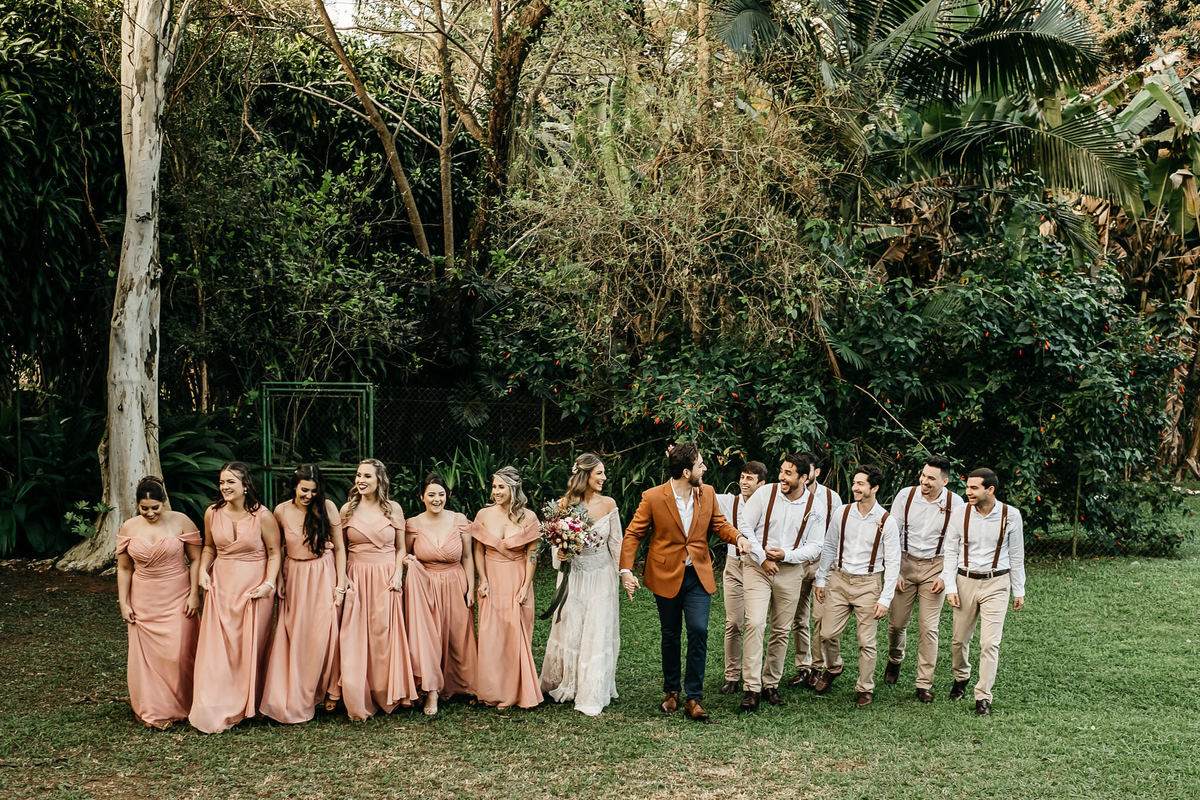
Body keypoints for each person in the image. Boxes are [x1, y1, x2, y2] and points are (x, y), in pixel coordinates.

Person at [620, 442, 750, 723]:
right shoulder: (653, 497)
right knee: (670, 634)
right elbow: (633, 534)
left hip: (697, 575)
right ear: (686, 471)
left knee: (699, 630)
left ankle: (694, 697)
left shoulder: (708, 493)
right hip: (665, 574)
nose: (705, 469)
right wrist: (626, 570)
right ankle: (671, 691)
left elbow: (719, 525)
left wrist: (738, 537)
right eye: (700, 465)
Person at [190, 462, 282, 733]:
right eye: (222, 482)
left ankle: (248, 705)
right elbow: (208, 547)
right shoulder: (212, 513)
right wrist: (203, 573)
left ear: (245, 486)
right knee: (218, 650)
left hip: (254, 587)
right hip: (221, 586)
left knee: (248, 646)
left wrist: (268, 583)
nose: (225, 487)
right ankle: (216, 704)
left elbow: (275, 552)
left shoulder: (262, 516)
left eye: (230, 482)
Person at [735, 454, 826, 710]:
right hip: (757, 566)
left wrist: (787, 555)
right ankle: (751, 687)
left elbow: (816, 545)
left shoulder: (815, 507)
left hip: (791, 571)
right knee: (754, 623)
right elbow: (745, 524)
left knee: (781, 630)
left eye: (788, 473)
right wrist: (762, 556)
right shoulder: (765, 495)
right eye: (782, 471)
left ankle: (770, 684)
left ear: (804, 478)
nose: (782, 477)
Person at [260, 464, 347, 723]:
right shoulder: (281, 511)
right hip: (295, 574)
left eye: (313, 491)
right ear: (294, 487)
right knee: (296, 634)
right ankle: (296, 695)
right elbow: (276, 548)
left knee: (323, 634)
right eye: (304, 490)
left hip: (323, 573)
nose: (308, 495)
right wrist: (280, 579)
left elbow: (341, 549)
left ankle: (327, 690)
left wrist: (340, 584)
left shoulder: (328, 508)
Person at [937, 467, 1026, 715]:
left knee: (990, 643)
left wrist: (1019, 590)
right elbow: (951, 551)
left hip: (997, 583)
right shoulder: (960, 513)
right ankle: (961, 676)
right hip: (964, 581)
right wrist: (950, 587)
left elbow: (1017, 555)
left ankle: (983, 696)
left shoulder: (1011, 515)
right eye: (967, 487)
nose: (968, 492)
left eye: (974, 488)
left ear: (990, 489)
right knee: (958, 640)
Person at [115, 476, 202, 728]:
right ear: (137, 505)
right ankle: (153, 710)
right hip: (144, 596)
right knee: (148, 657)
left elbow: (195, 559)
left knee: (179, 653)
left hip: (177, 593)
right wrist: (124, 602)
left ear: (164, 503)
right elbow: (123, 568)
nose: (150, 513)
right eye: (144, 508)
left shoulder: (182, 521)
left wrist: (194, 594)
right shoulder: (129, 527)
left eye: (155, 507)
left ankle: (185, 704)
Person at [540, 453, 622, 716]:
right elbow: (556, 546)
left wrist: (625, 573)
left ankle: (592, 690)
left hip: (601, 575)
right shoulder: (564, 506)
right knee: (572, 628)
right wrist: (560, 553)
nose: (604, 478)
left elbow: (617, 544)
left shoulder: (609, 504)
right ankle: (569, 683)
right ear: (585, 475)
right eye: (599, 473)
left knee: (596, 630)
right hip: (574, 575)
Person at [813, 464, 900, 707]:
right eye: (855, 483)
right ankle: (834, 667)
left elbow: (893, 562)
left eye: (861, 484)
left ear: (875, 488)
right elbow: (829, 546)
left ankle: (865, 687)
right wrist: (822, 579)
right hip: (839, 580)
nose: (855, 487)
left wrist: (885, 598)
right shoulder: (842, 512)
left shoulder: (886, 521)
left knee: (867, 641)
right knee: (827, 633)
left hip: (869, 584)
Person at [339, 458, 419, 720]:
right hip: (356, 576)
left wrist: (398, 575)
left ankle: (386, 692)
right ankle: (356, 693)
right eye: (358, 475)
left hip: (386, 575)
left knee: (383, 634)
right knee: (355, 637)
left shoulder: (393, 509)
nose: (361, 481)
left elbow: (401, 549)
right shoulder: (347, 510)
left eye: (367, 477)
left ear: (379, 481)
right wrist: (343, 578)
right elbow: (339, 549)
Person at [883, 455, 964, 702]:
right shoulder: (905, 496)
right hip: (905, 562)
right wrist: (894, 570)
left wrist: (946, 576)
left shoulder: (956, 503)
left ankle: (923, 683)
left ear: (945, 481)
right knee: (897, 624)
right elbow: (892, 535)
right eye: (923, 475)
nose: (924, 481)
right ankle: (895, 659)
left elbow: (957, 543)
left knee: (929, 627)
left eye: (931, 478)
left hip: (935, 566)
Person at [404, 473, 477, 716]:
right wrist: (409, 563)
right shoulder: (413, 524)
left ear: (448, 496)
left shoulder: (459, 520)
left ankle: (464, 685)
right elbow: (402, 554)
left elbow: (467, 557)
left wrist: (470, 588)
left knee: (458, 635)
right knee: (430, 638)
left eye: (441, 494)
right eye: (432, 495)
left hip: (455, 581)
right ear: (422, 497)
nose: (437, 499)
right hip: (425, 586)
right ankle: (432, 691)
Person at [470, 466, 542, 709]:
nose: (495, 491)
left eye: (501, 487)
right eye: (494, 486)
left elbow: (533, 553)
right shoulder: (483, 514)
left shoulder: (529, 517)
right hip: (492, 576)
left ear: (513, 488)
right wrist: (483, 579)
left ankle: (516, 692)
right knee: (492, 635)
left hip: (516, 577)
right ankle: (493, 691)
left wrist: (525, 586)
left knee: (515, 632)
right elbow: (478, 550)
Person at [788, 452, 843, 688]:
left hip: (823, 562)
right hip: (797, 561)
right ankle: (803, 666)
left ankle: (817, 667)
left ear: (815, 473)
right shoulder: (786, 495)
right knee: (798, 617)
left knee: (821, 617)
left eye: (806, 469)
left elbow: (838, 534)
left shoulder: (832, 498)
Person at [715, 460, 768, 695]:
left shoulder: (769, 505)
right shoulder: (730, 501)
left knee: (755, 623)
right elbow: (700, 492)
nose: (744, 482)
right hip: (734, 565)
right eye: (742, 477)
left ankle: (754, 676)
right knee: (734, 622)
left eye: (750, 478)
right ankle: (731, 675)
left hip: (757, 567)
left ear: (762, 484)